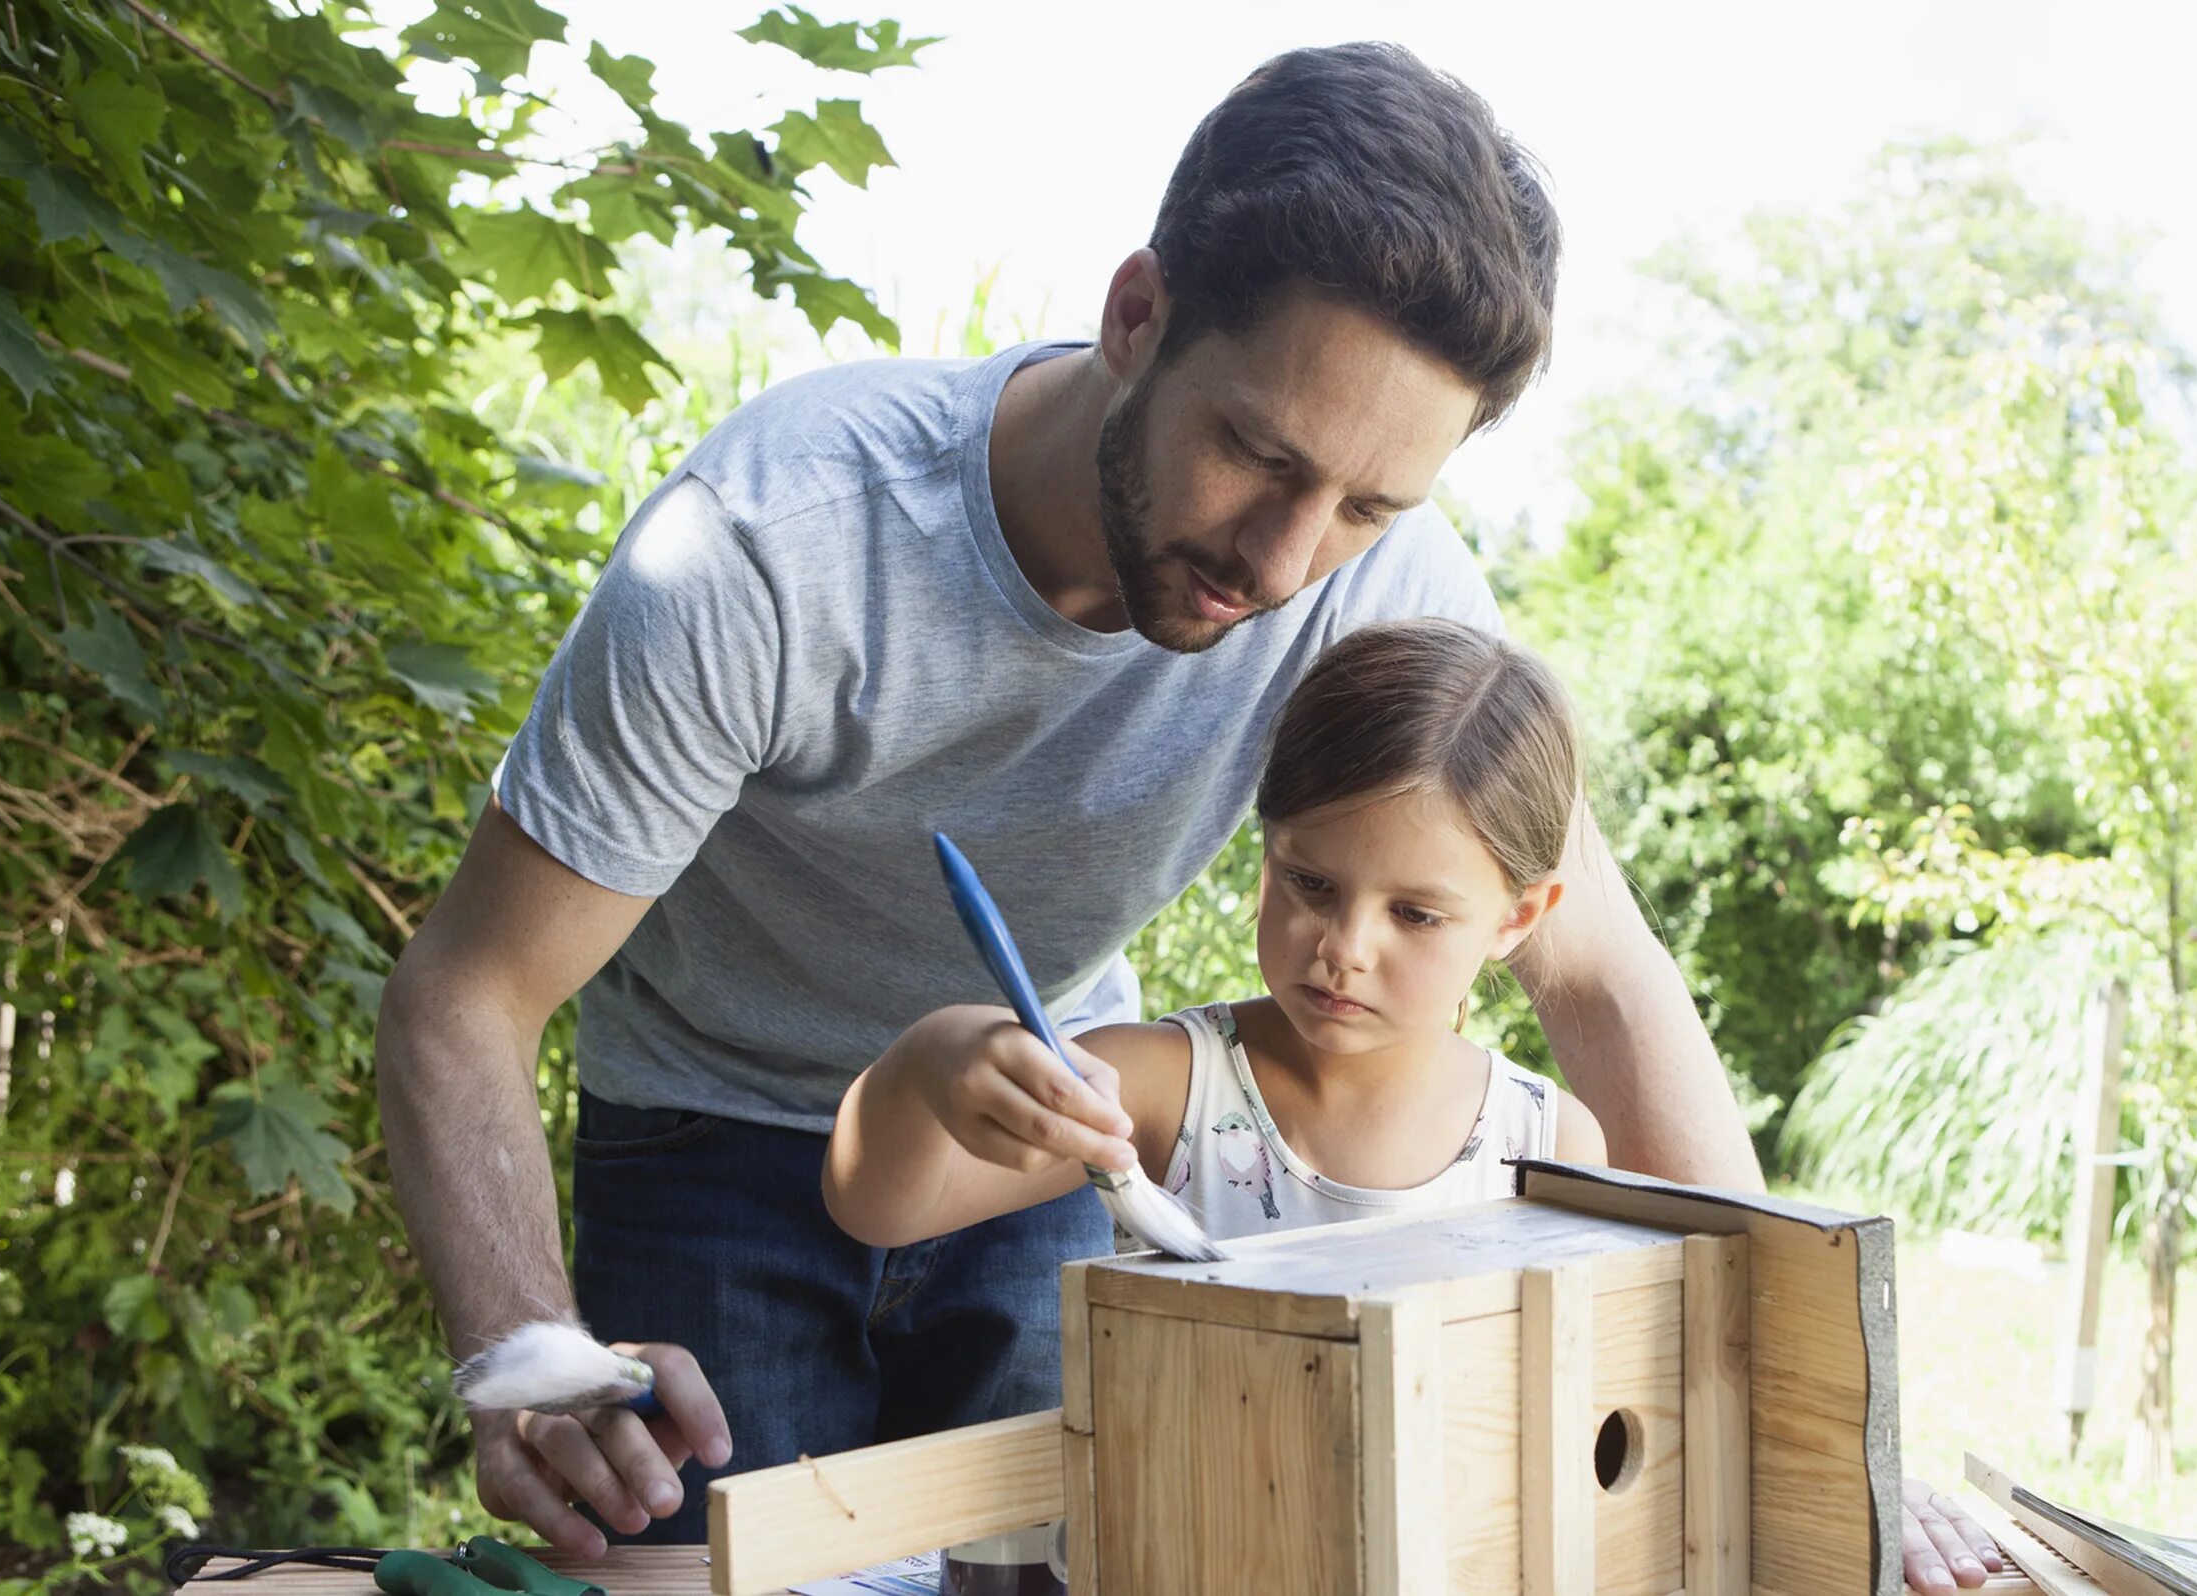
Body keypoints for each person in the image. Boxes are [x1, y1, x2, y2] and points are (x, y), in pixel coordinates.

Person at [376, 38, 1766, 1566]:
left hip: (1050, 1122)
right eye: (1258, 453)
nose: (1287, 561)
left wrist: (1804, 1409)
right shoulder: (770, 544)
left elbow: (1599, 976)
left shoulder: (1389, 597)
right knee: (703, 1572)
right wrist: (525, 1349)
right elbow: (467, 995)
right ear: (1135, 315)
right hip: (715, 1133)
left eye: (1368, 506)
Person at [825, 619, 1612, 1250]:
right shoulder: (1158, 1087)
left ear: (1517, 917)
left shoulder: (1550, 1144)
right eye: (1311, 884)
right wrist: (928, 1060)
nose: (1344, 950)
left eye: (1414, 915)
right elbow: (878, 1213)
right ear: (1268, 858)